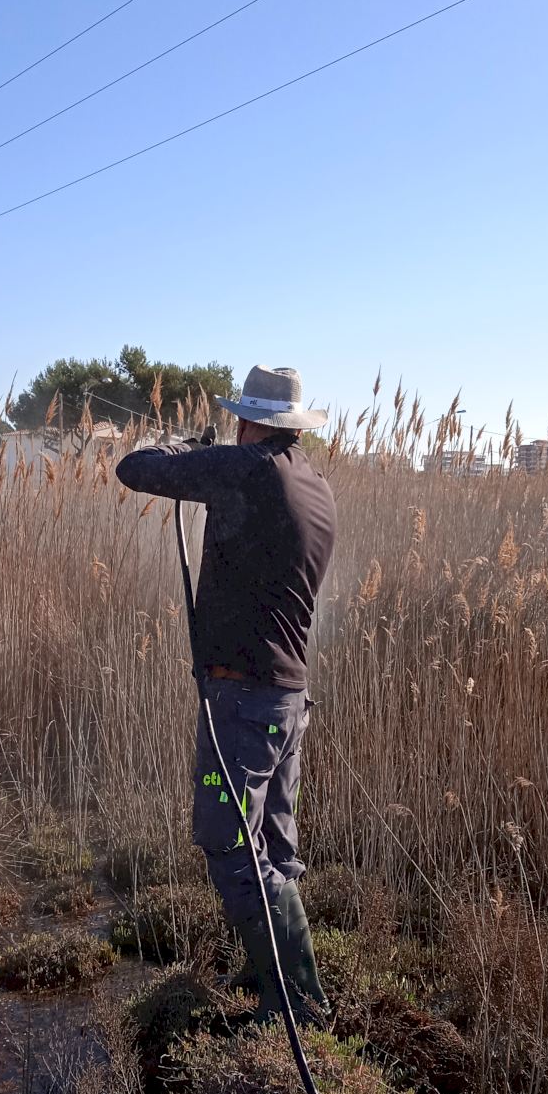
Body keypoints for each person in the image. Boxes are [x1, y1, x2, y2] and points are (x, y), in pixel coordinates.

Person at [115, 365, 336, 1021]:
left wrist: (187, 446)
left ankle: (295, 1002)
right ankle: (271, 971)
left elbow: (135, 468)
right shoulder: (314, 484)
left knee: (230, 841)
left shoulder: (249, 470)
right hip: (285, 703)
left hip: (244, 705)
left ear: (247, 421)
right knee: (273, 846)